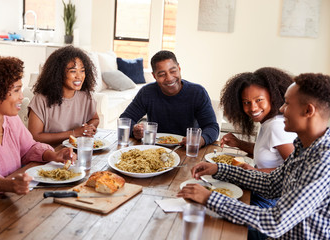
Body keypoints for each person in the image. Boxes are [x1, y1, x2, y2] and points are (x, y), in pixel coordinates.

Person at [178, 73, 330, 239]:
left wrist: (210, 198)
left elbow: (275, 222)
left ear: (308, 110)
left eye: (287, 103)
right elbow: (270, 184)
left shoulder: (323, 162)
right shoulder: (304, 148)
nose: (281, 109)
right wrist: (219, 169)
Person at [0, 56, 76, 198]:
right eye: (16, 90)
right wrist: (9, 184)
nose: (21, 96)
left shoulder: (11, 119)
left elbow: (28, 149)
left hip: (10, 201)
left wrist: (54, 155)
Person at [120, 50, 219, 147]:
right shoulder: (147, 92)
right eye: (162, 74)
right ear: (154, 76)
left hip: (186, 149)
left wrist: (200, 140)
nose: (169, 78)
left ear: (179, 68)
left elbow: (212, 127)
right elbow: (125, 119)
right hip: (154, 148)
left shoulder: (197, 92)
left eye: (173, 71)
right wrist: (134, 130)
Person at [220, 67, 296, 173]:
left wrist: (256, 171)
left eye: (259, 100)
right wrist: (238, 143)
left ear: (274, 97)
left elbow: (296, 168)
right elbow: (267, 152)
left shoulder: (276, 126)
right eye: (246, 102)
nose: (253, 108)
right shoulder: (269, 122)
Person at [28, 46, 99, 146]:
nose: (79, 76)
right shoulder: (41, 99)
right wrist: (74, 133)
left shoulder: (85, 96)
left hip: (77, 152)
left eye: (82, 71)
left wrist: (89, 128)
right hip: (49, 155)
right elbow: (35, 136)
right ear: (58, 73)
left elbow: (95, 119)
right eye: (73, 71)